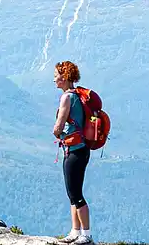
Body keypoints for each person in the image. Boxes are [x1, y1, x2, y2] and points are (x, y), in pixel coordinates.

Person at [52, 61, 93, 245]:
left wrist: (57, 132)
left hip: (74, 151)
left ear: (65, 77)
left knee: (75, 193)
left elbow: (58, 126)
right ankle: (75, 231)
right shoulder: (77, 95)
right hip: (82, 149)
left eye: (57, 76)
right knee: (73, 192)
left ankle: (86, 234)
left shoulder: (66, 98)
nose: (54, 79)